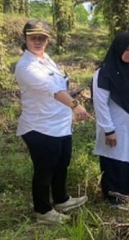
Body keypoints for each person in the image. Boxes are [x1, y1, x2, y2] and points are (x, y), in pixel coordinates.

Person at [15, 20, 90, 225]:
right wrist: (76, 105)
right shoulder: (26, 66)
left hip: (60, 123)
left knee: (61, 163)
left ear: (48, 40)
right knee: (45, 168)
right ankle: (42, 210)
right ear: (26, 39)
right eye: (33, 37)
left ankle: (61, 199)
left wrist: (72, 96)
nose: (38, 41)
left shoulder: (46, 59)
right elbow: (53, 90)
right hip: (40, 126)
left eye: (42, 38)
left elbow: (60, 85)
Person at [92, 32, 129, 205]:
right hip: (116, 125)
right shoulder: (104, 73)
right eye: (127, 49)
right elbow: (100, 103)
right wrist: (108, 129)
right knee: (115, 160)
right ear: (118, 49)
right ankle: (113, 197)